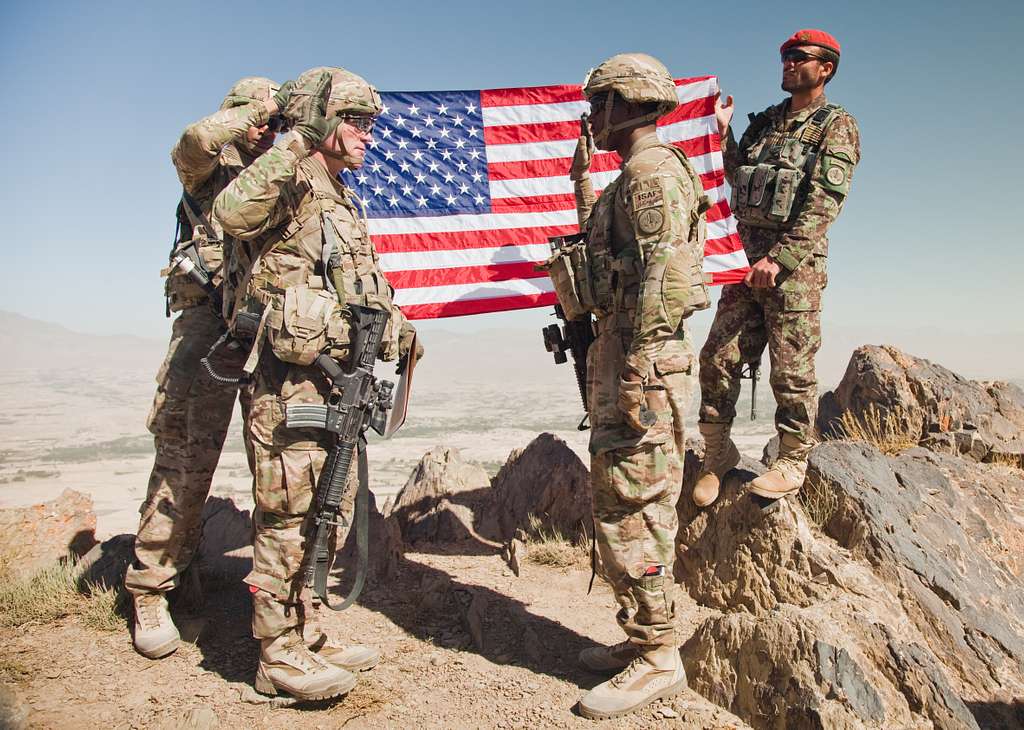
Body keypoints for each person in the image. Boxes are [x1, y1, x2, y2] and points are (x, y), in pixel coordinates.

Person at [212, 67, 421, 701]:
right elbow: (229, 211)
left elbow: (361, 288)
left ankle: (307, 627)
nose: (367, 135)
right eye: (356, 121)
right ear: (322, 120)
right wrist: (295, 143)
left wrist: (399, 331)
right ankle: (275, 653)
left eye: (370, 123)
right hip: (286, 381)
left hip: (334, 380)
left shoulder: (341, 196)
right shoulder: (287, 175)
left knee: (328, 509)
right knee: (288, 512)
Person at [554, 53, 708, 719]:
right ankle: (643, 634)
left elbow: (661, 280)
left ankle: (658, 654)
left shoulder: (650, 176)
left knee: (635, 511)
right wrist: (583, 182)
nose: (591, 116)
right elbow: (605, 251)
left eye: (598, 104)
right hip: (623, 360)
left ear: (626, 103)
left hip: (639, 367)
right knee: (622, 504)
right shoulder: (627, 179)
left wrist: (639, 372)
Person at [125, 77, 291, 660]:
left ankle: (275, 609)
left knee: (275, 467)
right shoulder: (208, 166)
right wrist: (251, 111)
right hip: (208, 329)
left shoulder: (281, 170)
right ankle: (150, 588)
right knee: (184, 463)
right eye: (255, 117)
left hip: (267, 329)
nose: (265, 127)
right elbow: (192, 140)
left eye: (273, 119)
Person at [694, 29, 861, 506]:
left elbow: (824, 202)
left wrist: (779, 258)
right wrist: (721, 129)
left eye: (798, 57)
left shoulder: (836, 125)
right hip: (743, 265)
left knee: (791, 370)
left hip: (794, 271)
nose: (787, 63)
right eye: (784, 56)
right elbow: (734, 174)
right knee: (718, 359)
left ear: (825, 68)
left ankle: (792, 458)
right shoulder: (765, 122)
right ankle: (716, 455)